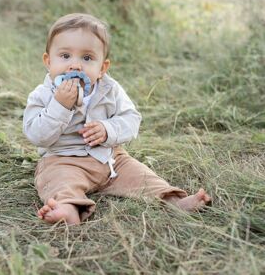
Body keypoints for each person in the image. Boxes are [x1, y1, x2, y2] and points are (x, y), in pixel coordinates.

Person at [23, 13, 211, 225]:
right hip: (63, 159)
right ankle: (68, 209)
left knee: (141, 175)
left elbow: (131, 119)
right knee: (59, 181)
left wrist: (108, 129)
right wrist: (60, 106)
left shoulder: (110, 90)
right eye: (65, 56)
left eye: (87, 58)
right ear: (48, 61)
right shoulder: (42, 95)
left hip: (110, 159)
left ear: (102, 68)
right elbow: (36, 135)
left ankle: (173, 200)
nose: (75, 66)